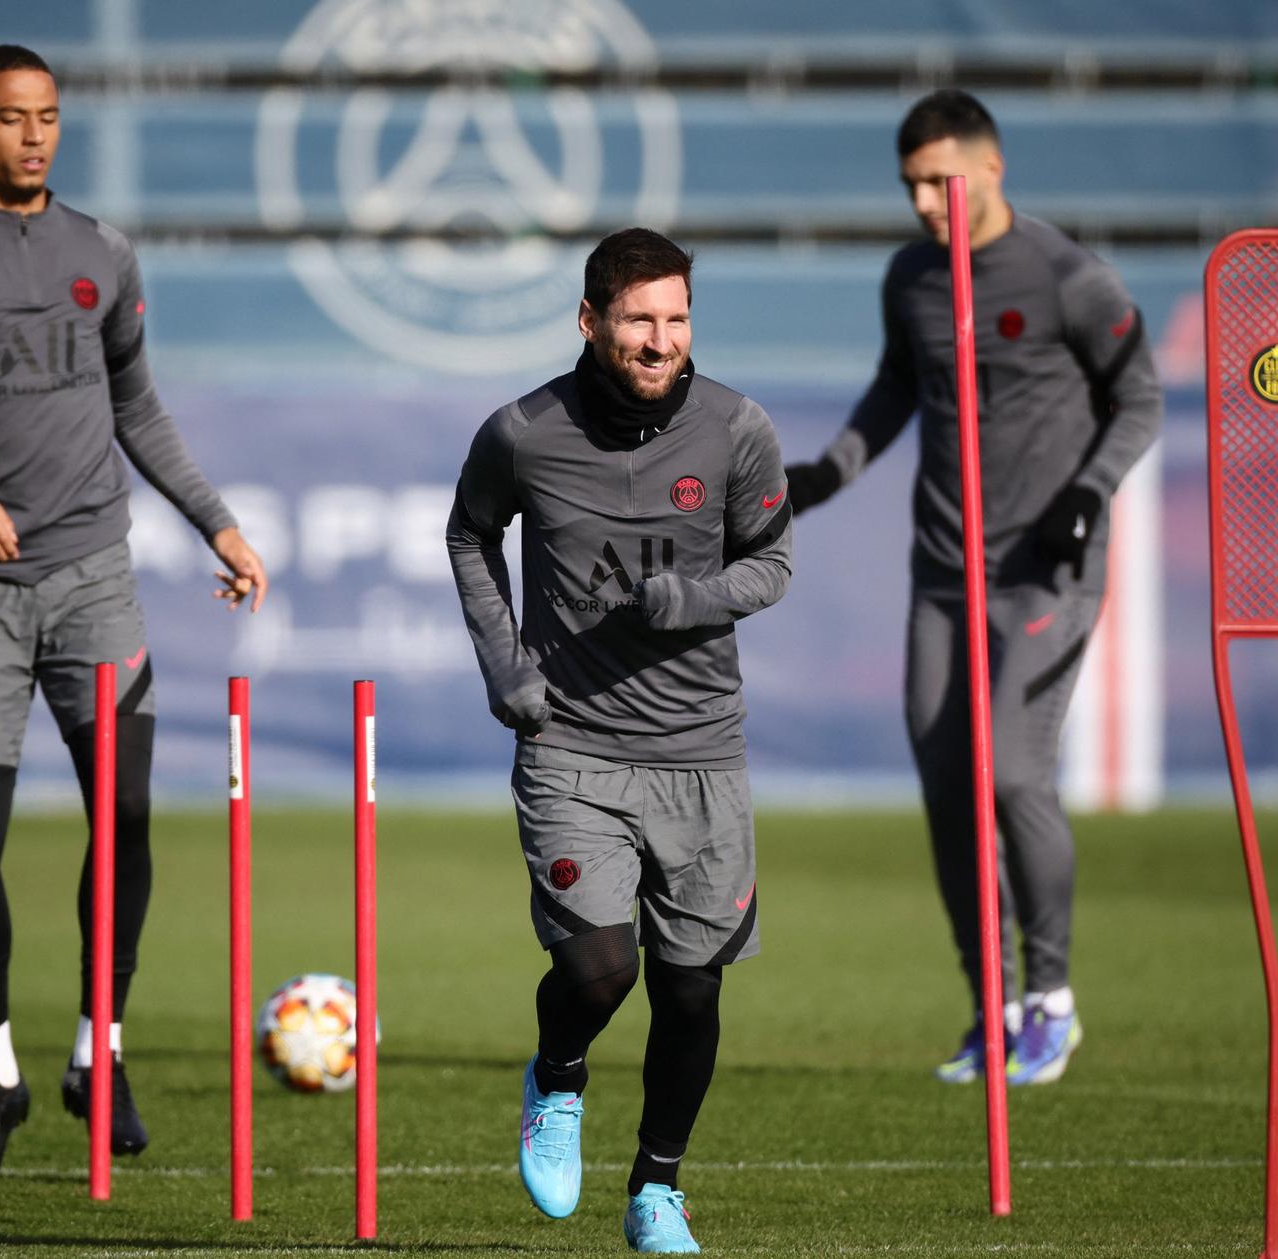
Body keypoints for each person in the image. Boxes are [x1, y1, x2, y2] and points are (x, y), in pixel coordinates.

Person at [0, 44, 269, 1180]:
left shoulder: (103, 252)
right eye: (10, 118)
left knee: (126, 817)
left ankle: (102, 1049)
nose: (34, 135)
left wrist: (216, 522)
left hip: (97, 576)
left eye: (46, 116)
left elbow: (136, 403)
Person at [781, 89, 1161, 1086]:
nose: (922, 205)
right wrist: (828, 469)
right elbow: (895, 385)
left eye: (938, 182)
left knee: (1011, 774)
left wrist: (1085, 492)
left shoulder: (1065, 276)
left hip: (1044, 573)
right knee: (949, 788)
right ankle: (988, 1010)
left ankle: (1050, 1003)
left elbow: (1139, 397)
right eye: (908, 185)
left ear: (990, 170)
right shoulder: (908, 277)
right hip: (938, 576)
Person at [447, 228, 790, 1254]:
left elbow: (770, 563)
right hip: (572, 748)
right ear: (590, 320)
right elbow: (469, 534)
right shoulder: (521, 429)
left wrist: (693, 596)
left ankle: (655, 1186)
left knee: (691, 985)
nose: (660, 340)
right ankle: (556, 1079)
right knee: (600, 967)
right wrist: (504, 662)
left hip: (699, 750)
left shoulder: (735, 428)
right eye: (639, 318)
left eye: (677, 318)